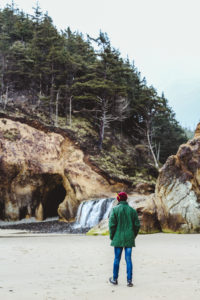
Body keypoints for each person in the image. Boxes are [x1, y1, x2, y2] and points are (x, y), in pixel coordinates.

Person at [109, 192, 140, 287]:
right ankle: (129, 281)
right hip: (129, 238)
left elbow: (112, 225)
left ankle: (114, 279)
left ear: (118, 199)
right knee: (128, 259)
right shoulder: (132, 211)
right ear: (126, 199)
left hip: (117, 238)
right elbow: (137, 225)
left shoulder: (114, 210)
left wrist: (112, 236)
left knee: (117, 259)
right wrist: (133, 235)